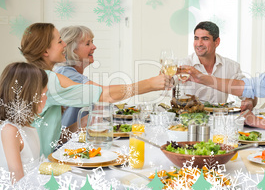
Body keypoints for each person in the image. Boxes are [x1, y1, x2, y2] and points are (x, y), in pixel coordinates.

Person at [19, 23, 170, 156]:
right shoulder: (51, 80)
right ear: (45, 51)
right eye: (60, 42)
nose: (65, 45)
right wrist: (150, 84)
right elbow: (104, 95)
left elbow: (49, 134)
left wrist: (82, 123)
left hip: (40, 157)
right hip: (40, 163)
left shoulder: (35, 76)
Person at [178, 21, 257, 110]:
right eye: (196, 38)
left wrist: (249, 99)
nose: (199, 43)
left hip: (219, 120)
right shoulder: (182, 65)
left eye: (205, 39)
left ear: (217, 42)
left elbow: (250, 92)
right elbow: (167, 84)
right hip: (189, 120)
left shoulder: (231, 67)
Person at [0, 62, 48, 183]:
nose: (46, 98)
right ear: (30, 96)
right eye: (44, 93)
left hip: (33, 182)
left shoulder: (25, 125)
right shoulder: (10, 131)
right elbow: (17, 181)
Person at [54, 25, 98, 128]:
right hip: (65, 143)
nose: (94, 47)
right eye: (88, 43)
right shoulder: (65, 74)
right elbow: (100, 93)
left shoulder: (68, 72)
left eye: (92, 42)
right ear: (72, 49)